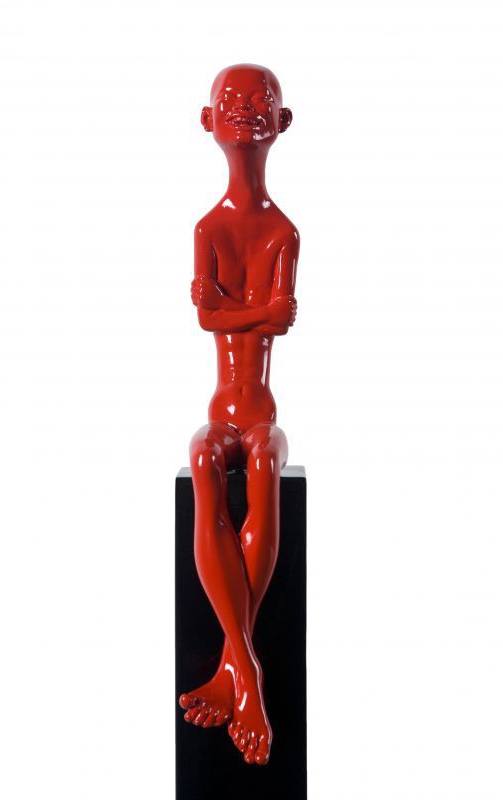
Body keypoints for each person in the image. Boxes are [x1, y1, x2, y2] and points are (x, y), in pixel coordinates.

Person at [178, 64, 299, 766]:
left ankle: (234, 668)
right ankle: (248, 671)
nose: (247, 111)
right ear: (208, 121)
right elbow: (222, 318)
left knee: (263, 463)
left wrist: (231, 308)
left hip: (260, 413)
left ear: (282, 122)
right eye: (231, 102)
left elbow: (260, 322)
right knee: (202, 456)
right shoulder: (208, 227)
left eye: (261, 104)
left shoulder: (284, 232)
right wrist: (256, 312)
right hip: (222, 410)